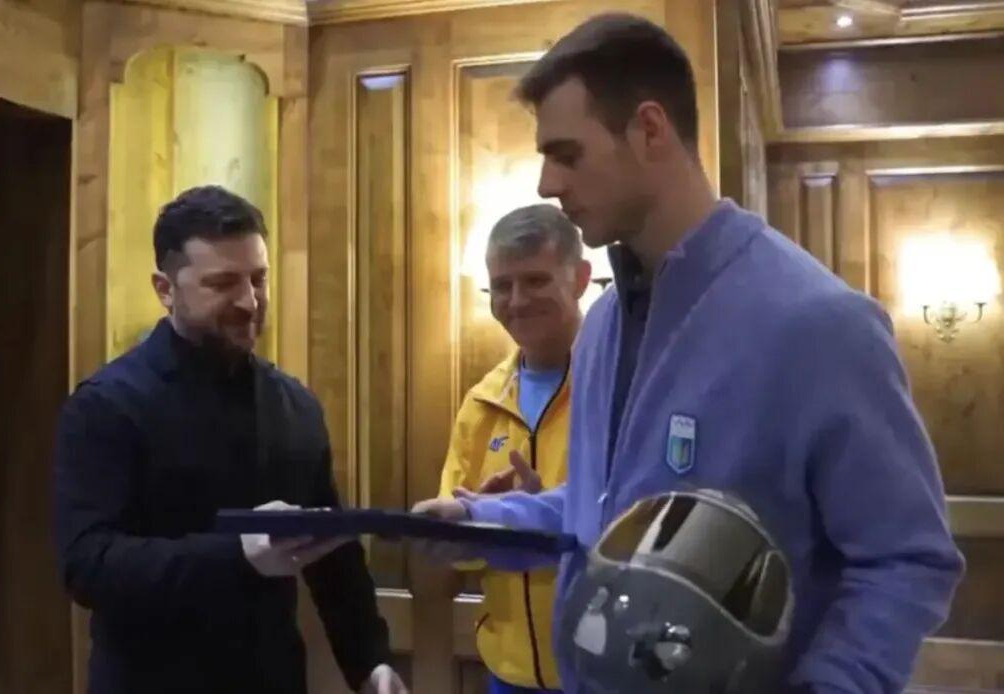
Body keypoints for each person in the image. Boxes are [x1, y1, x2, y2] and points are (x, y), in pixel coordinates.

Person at [413, 13, 963, 694]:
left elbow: (907, 559)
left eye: (567, 154)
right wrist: (483, 519)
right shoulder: (604, 325)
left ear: (650, 130)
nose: (546, 184)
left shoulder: (818, 323)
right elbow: (610, 512)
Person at [53, 185, 407, 694]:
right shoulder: (106, 406)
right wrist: (237, 556)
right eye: (222, 283)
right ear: (165, 289)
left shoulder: (296, 405)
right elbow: (89, 565)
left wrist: (371, 664)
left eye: (258, 278)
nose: (249, 301)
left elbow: (333, 553)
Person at [439, 204, 589, 693]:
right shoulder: (481, 402)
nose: (517, 301)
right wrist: (478, 522)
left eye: (536, 281)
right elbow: (454, 553)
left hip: (602, 670)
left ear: (581, 278)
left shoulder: (621, 384)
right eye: (501, 286)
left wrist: (538, 513)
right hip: (507, 673)